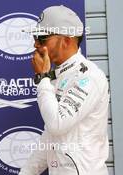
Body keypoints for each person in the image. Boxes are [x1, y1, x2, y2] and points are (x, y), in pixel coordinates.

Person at [19, 5, 109, 175]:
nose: (35, 43)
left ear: (66, 40)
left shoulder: (89, 76)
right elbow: (50, 138)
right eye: (35, 36)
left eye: (42, 38)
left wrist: (42, 78)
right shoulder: (58, 76)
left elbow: (57, 125)